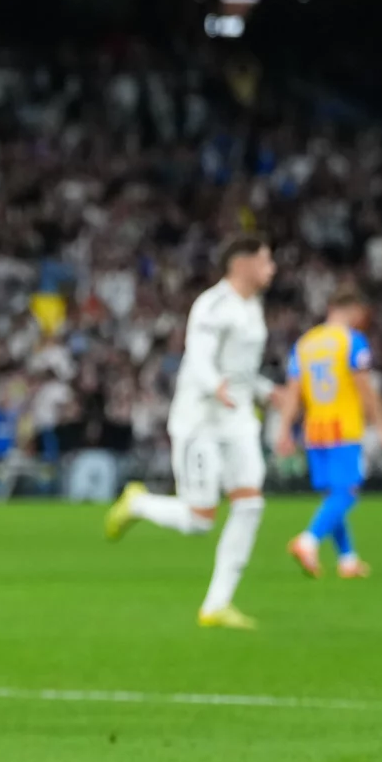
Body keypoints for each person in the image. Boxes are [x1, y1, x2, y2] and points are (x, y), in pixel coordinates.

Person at [105, 236, 275, 629]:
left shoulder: (252, 308)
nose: (273, 267)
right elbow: (197, 356)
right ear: (241, 263)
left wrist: (268, 392)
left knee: (250, 504)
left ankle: (216, 606)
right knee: (201, 519)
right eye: (265, 259)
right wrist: (214, 384)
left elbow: (243, 371)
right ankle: (139, 503)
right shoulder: (212, 305)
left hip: (237, 419)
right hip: (200, 419)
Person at [273, 286, 382, 578]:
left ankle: (348, 560)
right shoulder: (352, 341)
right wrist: (381, 424)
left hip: (314, 429)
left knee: (334, 494)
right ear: (353, 310)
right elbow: (365, 386)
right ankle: (308, 540)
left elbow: (293, 392)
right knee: (348, 492)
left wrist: (285, 429)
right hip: (343, 426)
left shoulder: (305, 343)